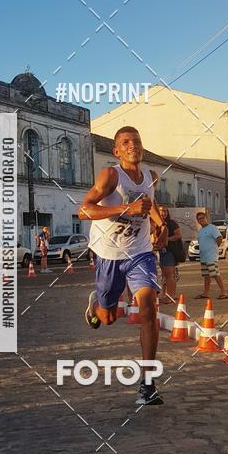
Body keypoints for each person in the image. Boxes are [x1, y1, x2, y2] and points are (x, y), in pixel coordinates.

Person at [79, 126, 165, 406]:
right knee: (108, 318)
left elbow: (150, 203)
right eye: (126, 142)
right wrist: (126, 209)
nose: (132, 145)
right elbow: (84, 209)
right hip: (110, 254)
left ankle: (148, 384)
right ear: (117, 151)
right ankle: (96, 306)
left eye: (136, 141)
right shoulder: (111, 175)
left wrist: (161, 225)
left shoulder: (151, 176)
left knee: (149, 309)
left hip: (140, 252)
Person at [194, 211, 228, 300]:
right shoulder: (200, 231)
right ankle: (206, 293)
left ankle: (224, 292)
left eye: (202, 218)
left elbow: (219, 238)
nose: (201, 220)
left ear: (206, 218)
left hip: (211, 256)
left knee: (215, 273)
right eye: (199, 219)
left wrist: (214, 248)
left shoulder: (212, 228)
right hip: (203, 256)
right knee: (206, 275)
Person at [157, 205, 183, 304]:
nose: (163, 213)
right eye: (161, 211)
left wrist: (166, 239)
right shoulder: (156, 222)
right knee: (164, 275)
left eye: (165, 211)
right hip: (160, 252)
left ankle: (171, 296)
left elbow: (178, 235)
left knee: (169, 274)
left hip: (169, 252)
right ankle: (165, 294)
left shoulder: (171, 223)